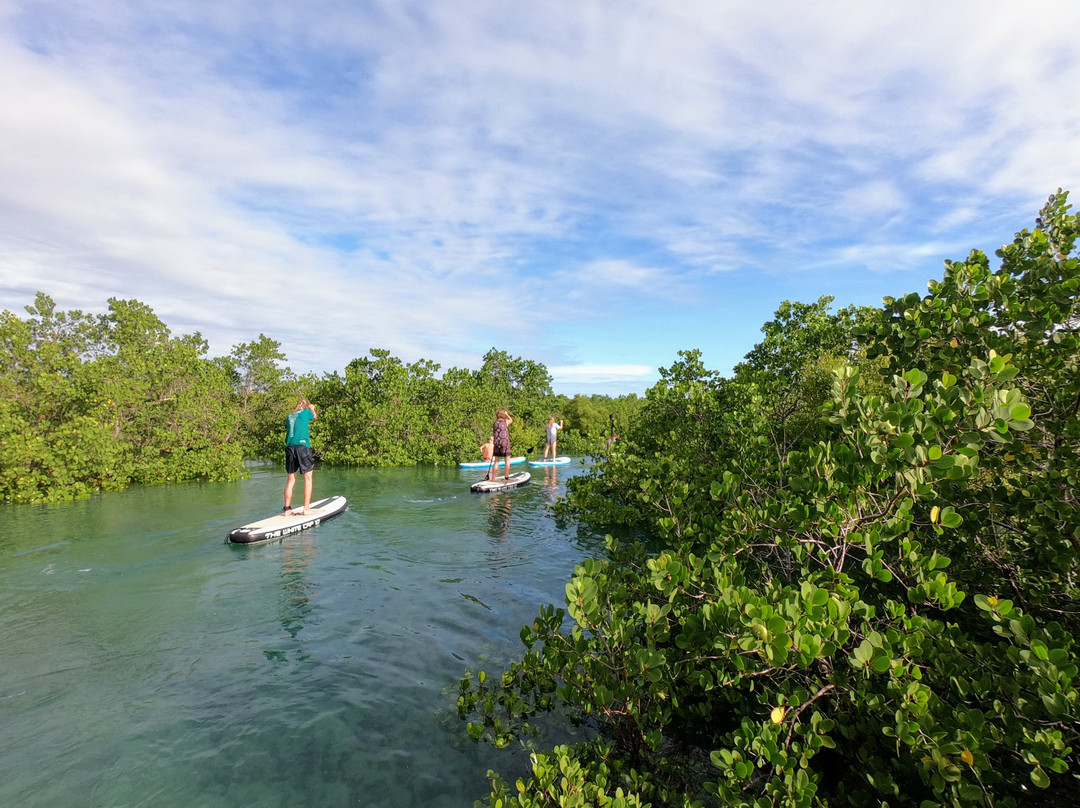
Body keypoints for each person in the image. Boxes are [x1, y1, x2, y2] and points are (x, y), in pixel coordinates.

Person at [284, 396, 317, 515]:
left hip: (289, 448)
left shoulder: (289, 416)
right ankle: (306, 509)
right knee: (308, 479)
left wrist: (297, 407)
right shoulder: (306, 412)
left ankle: (287, 510)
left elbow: (293, 417)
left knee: (291, 480)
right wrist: (312, 408)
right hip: (302, 447)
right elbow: (314, 417)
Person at [490, 408, 514, 481]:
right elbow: (511, 420)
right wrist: (507, 414)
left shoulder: (494, 423)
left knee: (496, 461)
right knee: (507, 461)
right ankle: (506, 478)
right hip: (505, 444)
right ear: (503, 415)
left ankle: (493, 479)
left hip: (497, 444)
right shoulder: (506, 422)